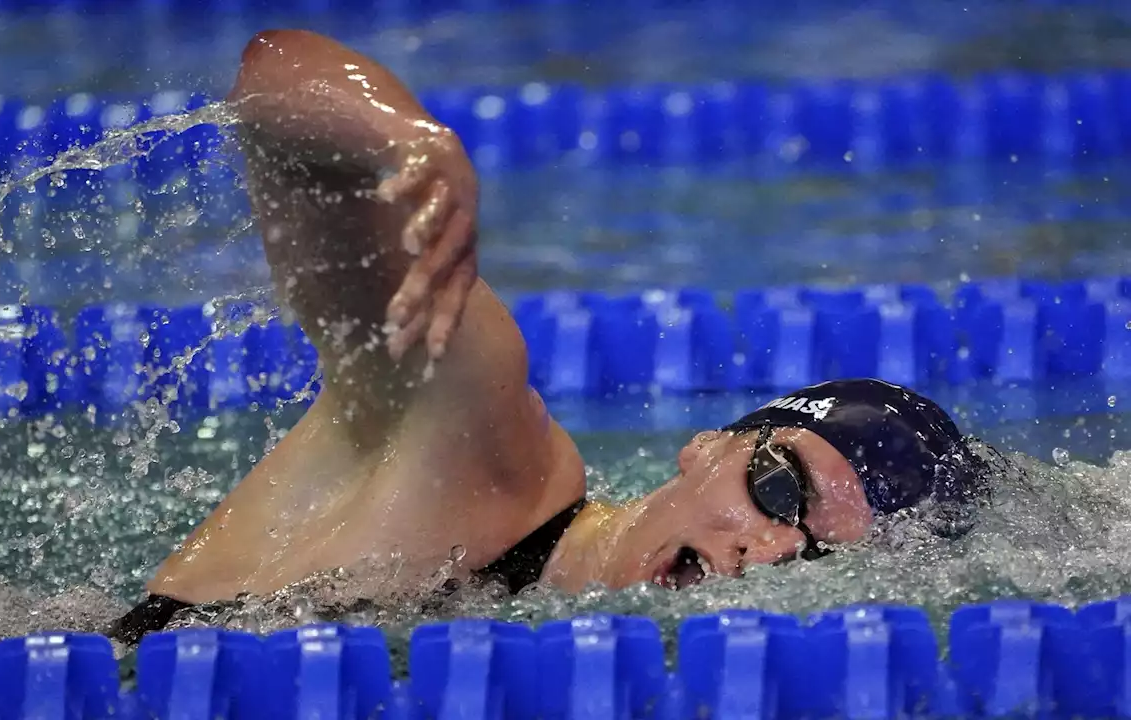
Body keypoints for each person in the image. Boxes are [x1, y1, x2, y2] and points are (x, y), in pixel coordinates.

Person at [109, 30, 990, 644]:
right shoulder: (479, 449)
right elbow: (271, 76)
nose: (765, 551)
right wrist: (408, 138)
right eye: (779, 487)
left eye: (818, 554)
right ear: (706, 448)